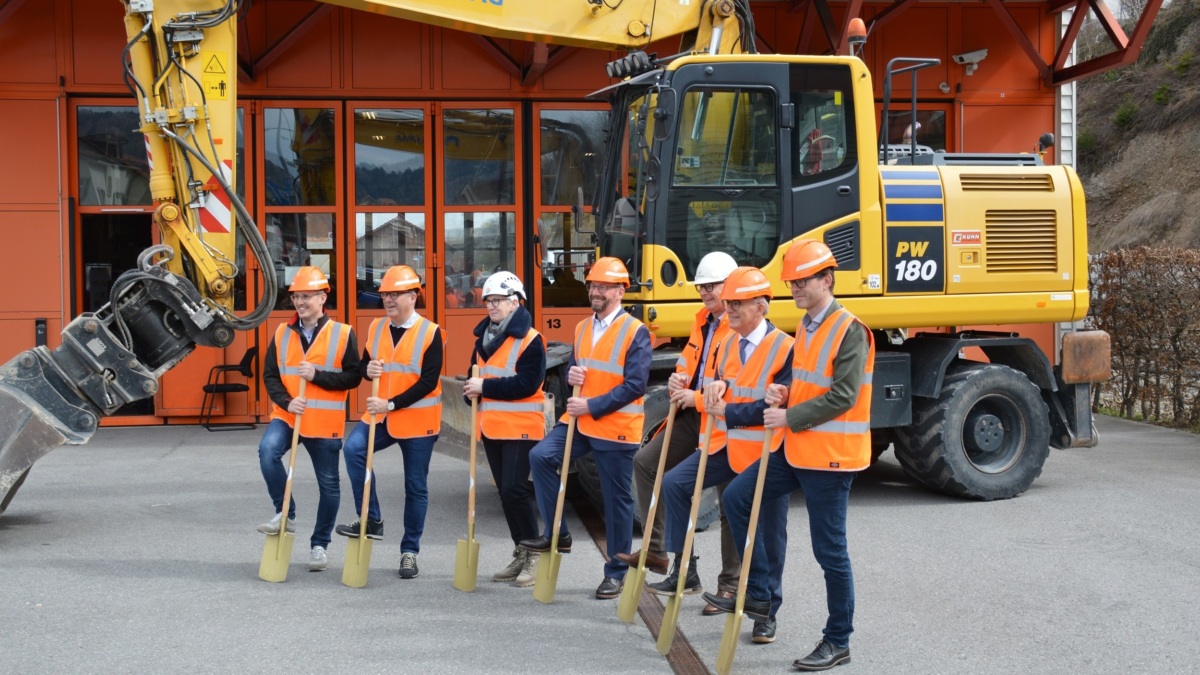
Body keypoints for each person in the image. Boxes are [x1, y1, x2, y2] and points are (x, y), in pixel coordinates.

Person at [702, 240, 875, 672]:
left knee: (829, 552)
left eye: (803, 280)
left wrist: (789, 413)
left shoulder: (850, 329)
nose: (795, 287)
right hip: (797, 449)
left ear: (827, 280)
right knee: (738, 497)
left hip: (831, 457)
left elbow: (843, 395)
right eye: (792, 281)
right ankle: (759, 591)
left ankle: (838, 640)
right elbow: (807, 383)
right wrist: (784, 391)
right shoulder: (807, 326)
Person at [648, 266, 793, 645]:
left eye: (737, 304)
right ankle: (685, 569)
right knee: (675, 483)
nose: (728, 310)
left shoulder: (785, 348)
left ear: (760, 307)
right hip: (724, 446)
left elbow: (772, 402)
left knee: (770, 536)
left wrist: (726, 408)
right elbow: (724, 380)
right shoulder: (728, 341)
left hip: (766, 452)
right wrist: (716, 387)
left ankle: (766, 613)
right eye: (727, 303)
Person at [617, 251, 743, 617]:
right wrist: (678, 380)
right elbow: (691, 364)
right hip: (692, 414)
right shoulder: (701, 320)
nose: (705, 292)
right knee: (645, 463)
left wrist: (699, 396)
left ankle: (730, 584)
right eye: (702, 286)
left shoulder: (739, 325)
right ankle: (660, 553)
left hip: (724, 420)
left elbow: (735, 384)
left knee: (729, 501)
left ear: (731, 286)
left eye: (712, 285)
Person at [519, 257, 652, 600]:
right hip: (580, 422)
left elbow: (635, 385)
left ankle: (617, 571)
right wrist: (570, 374)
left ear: (620, 291)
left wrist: (592, 405)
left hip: (615, 426)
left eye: (603, 286)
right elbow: (577, 370)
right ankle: (558, 533)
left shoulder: (635, 332)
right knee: (541, 457)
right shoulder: (582, 328)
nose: (595, 291)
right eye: (592, 285)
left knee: (615, 501)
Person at [336, 265, 445, 580]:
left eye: (395, 294)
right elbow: (362, 365)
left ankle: (409, 552)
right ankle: (372, 519)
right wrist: (365, 370)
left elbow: (427, 382)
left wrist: (392, 403)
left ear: (413, 296)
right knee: (354, 450)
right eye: (385, 294)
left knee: (416, 486)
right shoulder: (376, 327)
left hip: (417, 420)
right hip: (381, 415)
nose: (388, 299)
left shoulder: (431, 332)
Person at [257, 266, 362, 572]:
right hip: (289, 415)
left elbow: (353, 377)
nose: (299, 302)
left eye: (306, 296)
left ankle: (319, 545)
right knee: (267, 452)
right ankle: (285, 512)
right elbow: (270, 376)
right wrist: (288, 403)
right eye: (295, 297)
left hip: (324, 423)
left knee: (329, 487)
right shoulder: (281, 332)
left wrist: (317, 375)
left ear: (322, 297)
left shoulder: (343, 333)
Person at [462, 271, 547, 588]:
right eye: (488, 301)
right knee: (506, 493)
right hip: (493, 427)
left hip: (522, 426)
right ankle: (521, 552)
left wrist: (484, 385)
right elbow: (475, 376)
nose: (491, 306)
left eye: (497, 300)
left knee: (515, 489)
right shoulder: (483, 338)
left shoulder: (531, 339)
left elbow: (528, 384)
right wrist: (471, 391)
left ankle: (534, 553)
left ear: (515, 302)